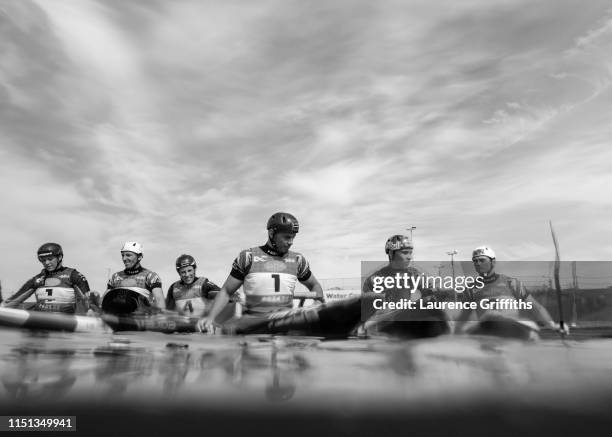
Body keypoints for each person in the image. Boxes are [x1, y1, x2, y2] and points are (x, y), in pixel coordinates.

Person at [196, 212, 325, 334]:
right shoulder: (248, 257)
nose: (291, 242)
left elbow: (316, 287)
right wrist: (210, 318)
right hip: (254, 325)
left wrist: (317, 303)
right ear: (271, 233)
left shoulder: (298, 260)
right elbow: (226, 291)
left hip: (284, 324)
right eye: (287, 237)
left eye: (293, 237)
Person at [454, 246, 569, 337]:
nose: (477, 263)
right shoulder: (470, 289)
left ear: (493, 262)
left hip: (513, 332)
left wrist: (552, 325)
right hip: (487, 333)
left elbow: (535, 307)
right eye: (475, 261)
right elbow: (463, 317)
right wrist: (455, 336)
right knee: (489, 317)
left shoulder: (512, 283)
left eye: (482, 260)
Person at [361, 234, 448, 338]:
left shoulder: (414, 274)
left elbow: (430, 295)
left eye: (410, 253)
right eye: (405, 253)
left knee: (431, 303)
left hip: (404, 321)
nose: (409, 257)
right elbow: (369, 313)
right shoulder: (373, 279)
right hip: (382, 324)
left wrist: (438, 294)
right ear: (391, 254)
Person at [1, 243, 95, 314]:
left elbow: (87, 300)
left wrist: (91, 310)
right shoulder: (38, 279)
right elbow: (14, 300)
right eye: (43, 260)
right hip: (40, 320)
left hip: (65, 321)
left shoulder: (74, 275)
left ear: (59, 257)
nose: (46, 263)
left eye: (50, 259)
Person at [102, 241, 165, 314]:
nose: (124, 258)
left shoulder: (151, 276)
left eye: (128, 255)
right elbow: (104, 299)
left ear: (140, 257)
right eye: (123, 255)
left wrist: (161, 317)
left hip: (141, 318)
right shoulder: (115, 276)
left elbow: (159, 300)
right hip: (116, 316)